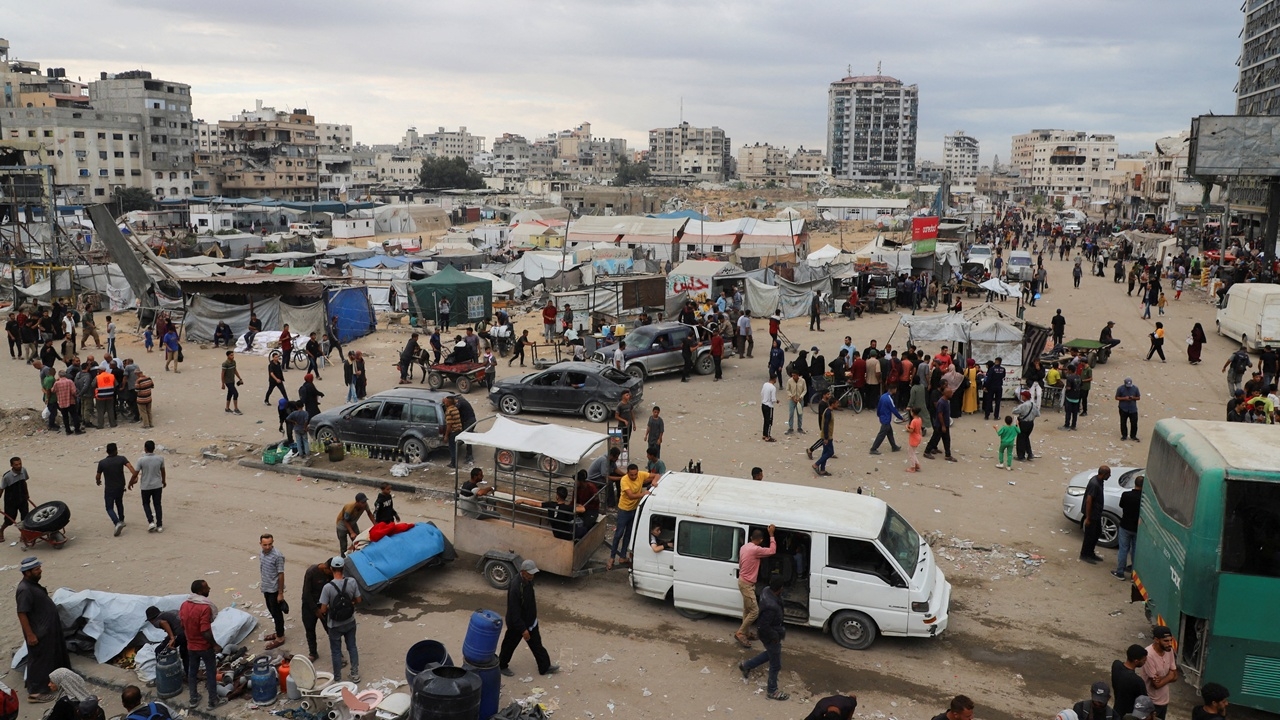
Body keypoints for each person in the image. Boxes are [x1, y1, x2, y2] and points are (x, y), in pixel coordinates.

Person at [16, 557, 69, 703]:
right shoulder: (25, 590)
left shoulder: (32, 585)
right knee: (40, 662)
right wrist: (30, 634)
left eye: (39, 568)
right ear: (27, 573)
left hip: (47, 631)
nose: (40, 571)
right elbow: (22, 613)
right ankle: (35, 692)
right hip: (38, 633)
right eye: (36, 569)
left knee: (50, 658)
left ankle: (52, 683)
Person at [498, 559, 559, 677]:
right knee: (509, 645)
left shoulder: (529, 581)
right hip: (517, 624)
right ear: (523, 572)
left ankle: (545, 667)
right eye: (530, 573)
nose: (532, 576)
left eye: (533, 573)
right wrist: (523, 629)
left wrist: (532, 620)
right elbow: (514, 612)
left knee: (537, 645)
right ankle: (502, 666)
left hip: (530, 622)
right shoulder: (516, 587)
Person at [737, 576, 789, 701]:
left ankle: (747, 665)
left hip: (771, 634)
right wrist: (775, 636)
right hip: (771, 636)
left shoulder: (766, 591)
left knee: (770, 653)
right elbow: (764, 626)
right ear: (780, 589)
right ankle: (772, 691)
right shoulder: (771, 607)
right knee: (775, 665)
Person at [179, 579, 222, 710]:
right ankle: (213, 701)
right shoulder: (204, 608)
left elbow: (182, 624)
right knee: (210, 672)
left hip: (191, 646)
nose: (209, 589)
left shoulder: (184, 605)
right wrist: (215, 645)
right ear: (200, 591)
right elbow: (205, 631)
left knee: (192, 672)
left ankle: (193, 699)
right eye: (206, 588)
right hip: (204, 646)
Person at [319, 555, 362, 682]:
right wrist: (351, 603)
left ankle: (337, 677)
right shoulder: (352, 582)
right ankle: (355, 674)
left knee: (336, 651)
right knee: (352, 647)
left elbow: (323, 609)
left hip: (334, 625)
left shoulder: (327, 587)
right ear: (343, 568)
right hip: (350, 621)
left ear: (331, 569)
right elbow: (359, 600)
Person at [735, 524, 776, 647]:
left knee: (747, 610)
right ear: (760, 540)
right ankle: (741, 633)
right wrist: (772, 534)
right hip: (747, 584)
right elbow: (772, 551)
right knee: (754, 611)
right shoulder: (755, 550)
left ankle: (746, 632)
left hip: (743, 581)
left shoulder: (744, 547)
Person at [608, 464, 649, 570]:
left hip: (634, 510)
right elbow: (631, 496)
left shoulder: (641, 475)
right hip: (624, 510)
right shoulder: (624, 480)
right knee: (618, 534)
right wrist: (643, 494)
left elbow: (656, 475)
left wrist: (654, 481)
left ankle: (622, 556)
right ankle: (612, 557)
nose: (634, 477)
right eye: (631, 475)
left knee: (628, 534)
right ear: (627, 473)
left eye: (635, 474)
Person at [96, 443, 135, 537]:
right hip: (120, 486)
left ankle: (117, 522)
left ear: (107, 452)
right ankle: (122, 519)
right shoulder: (121, 459)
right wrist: (135, 476)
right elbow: (130, 467)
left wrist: (98, 481)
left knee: (109, 507)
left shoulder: (102, 462)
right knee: (119, 502)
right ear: (116, 450)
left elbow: (98, 475)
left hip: (109, 488)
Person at [127, 441, 166, 533]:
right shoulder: (160, 458)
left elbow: (135, 473)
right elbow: (163, 471)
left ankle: (151, 521)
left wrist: (130, 482)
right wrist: (163, 481)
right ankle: (159, 525)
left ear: (145, 449)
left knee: (146, 503)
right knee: (157, 504)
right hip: (157, 485)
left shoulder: (141, 460)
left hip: (146, 486)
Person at [300, 558, 334, 662]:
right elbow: (306, 594)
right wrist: (315, 610)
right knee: (310, 630)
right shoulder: (311, 572)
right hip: (310, 606)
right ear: (325, 567)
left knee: (331, 630)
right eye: (331, 571)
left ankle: (336, 652)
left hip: (324, 606)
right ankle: (313, 653)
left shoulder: (331, 574)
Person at [1141, 626, 1178, 719]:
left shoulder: (1169, 650)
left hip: (1164, 701)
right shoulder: (1148, 655)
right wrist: (1169, 676)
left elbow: (1176, 676)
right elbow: (1156, 685)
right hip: (1151, 702)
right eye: (1166, 641)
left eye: (1171, 640)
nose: (1170, 644)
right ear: (1156, 640)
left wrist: (1163, 678)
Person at [259, 533, 287, 649]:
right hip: (266, 587)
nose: (267, 547)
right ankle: (278, 632)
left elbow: (281, 574)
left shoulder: (277, 556)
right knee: (272, 611)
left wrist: (280, 593)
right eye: (265, 545)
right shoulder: (262, 553)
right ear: (260, 544)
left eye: (270, 544)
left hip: (274, 590)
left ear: (273, 543)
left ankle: (280, 637)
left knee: (277, 613)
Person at [1114, 475, 1143, 580]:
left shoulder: (1126, 495)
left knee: (1123, 549)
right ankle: (1133, 575)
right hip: (1137, 528)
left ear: (1135, 484)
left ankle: (1120, 572)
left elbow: (1122, 505)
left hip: (1125, 526)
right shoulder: (1144, 499)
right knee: (1135, 551)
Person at [1080, 465, 1110, 563]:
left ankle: (1090, 552)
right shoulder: (1095, 484)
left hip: (1096, 513)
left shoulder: (1099, 481)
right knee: (1089, 535)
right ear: (1104, 474)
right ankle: (1085, 554)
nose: (1109, 476)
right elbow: (1089, 501)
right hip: (1092, 514)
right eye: (1108, 474)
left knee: (1097, 533)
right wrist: (1088, 517)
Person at [1111, 645, 1149, 717]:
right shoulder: (1137, 681)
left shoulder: (1116, 665)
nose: (1145, 662)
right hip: (1129, 715)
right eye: (1144, 660)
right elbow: (1145, 702)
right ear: (1136, 661)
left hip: (1116, 710)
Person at [0, 457, 32, 542]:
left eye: (20, 464)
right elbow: (1, 489)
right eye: (16, 465)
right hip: (11, 501)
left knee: (25, 519)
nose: (19, 466)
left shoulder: (23, 470)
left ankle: (23, 536)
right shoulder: (7, 476)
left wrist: (27, 494)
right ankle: (1, 530)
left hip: (22, 499)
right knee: (9, 520)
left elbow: (24, 482)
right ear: (12, 465)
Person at [922, 387, 957, 462]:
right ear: (946, 393)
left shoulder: (946, 401)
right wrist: (943, 425)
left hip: (945, 424)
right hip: (940, 425)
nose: (952, 394)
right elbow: (940, 414)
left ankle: (948, 455)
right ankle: (927, 451)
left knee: (946, 440)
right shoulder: (941, 402)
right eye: (950, 393)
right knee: (935, 439)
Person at [869, 387, 905, 454]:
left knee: (889, 432)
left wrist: (879, 415)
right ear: (893, 389)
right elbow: (894, 410)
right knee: (882, 434)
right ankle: (873, 448)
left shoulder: (883, 396)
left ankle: (894, 446)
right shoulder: (889, 399)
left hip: (883, 417)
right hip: (886, 419)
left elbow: (879, 407)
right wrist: (901, 418)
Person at [813, 392, 835, 477]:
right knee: (830, 452)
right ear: (833, 404)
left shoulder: (828, 411)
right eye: (836, 403)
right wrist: (826, 437)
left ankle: (822, 469)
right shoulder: (828, 412)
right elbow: (826, 425)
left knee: (825, 452)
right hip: (827, 436)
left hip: (827, 435)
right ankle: (816, 464)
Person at [784, 369, 806, 434]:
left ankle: (799, 427)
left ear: (798, 375)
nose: (793, 377)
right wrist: (792, 396)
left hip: (800, 400)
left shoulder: (802, 381)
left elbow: (805, 390)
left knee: (800, 414)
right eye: (792, 375)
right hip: (792, 400)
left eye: (794, 375)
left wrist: (801, 397)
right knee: (791, 414)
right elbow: (787, 390)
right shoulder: (789, 381)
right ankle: (790, 428)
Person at [760, 377, 778, 442]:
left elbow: (762, 393)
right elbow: (773, 399)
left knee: (765, 420)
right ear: (775, 379)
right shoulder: (773, 388)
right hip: (769, 406)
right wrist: (776, 401)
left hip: (763, 404)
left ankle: (764, 434)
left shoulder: (765, 384)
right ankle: (768, 436)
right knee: (769, 421)